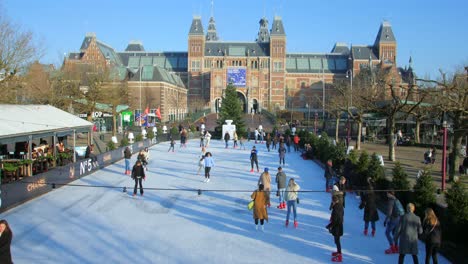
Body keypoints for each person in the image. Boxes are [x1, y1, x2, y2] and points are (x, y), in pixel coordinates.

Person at [326, 195, 344, 262]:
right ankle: (338, 252)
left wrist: (329, 226)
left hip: (337, 228)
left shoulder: (336, 209)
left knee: (337, 241)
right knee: (337, 241)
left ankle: (339, 256)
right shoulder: (340, 206)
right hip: (339, 226)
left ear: (333, 201)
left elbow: (334, 220)